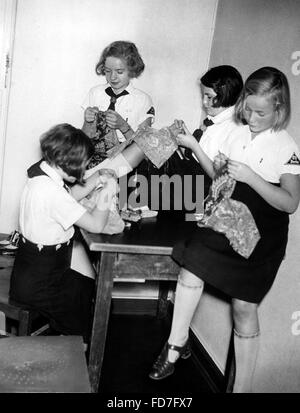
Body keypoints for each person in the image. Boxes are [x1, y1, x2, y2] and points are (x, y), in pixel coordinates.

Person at [148, 67, 300, 393]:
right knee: (193, 261)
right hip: (230, 214)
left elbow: (289, 203)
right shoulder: (237, 132)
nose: (253, 117)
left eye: (261, 113)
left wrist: (251, 177)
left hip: (264, 229)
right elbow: (218, 175)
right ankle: (176, 344)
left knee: (244, 308)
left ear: (280, 110)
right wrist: (205, 162)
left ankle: (240, 388)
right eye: (248, 109)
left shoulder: (286, 146)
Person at [9, 123, 145, 345]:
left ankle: (69, 339)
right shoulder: (51, 193)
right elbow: (96, 225)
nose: (84, 172)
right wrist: (108, 191)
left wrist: (98, 177)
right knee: (85, 317)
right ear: (68, 163)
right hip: (41, 285)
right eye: (83, 167)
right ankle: (77, 351)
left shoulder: (41, 174)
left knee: (85, 286)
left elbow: (69, 195)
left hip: (33, 272)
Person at [149, 65, 243, 221]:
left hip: (204, 191)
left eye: (209, 96)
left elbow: (221, 180)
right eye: (203, 96)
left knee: (149, 148)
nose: (204, 102)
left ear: (225, 94)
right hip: (192, 182)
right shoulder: (214, 121)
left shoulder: (235, 129)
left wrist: (193, 145)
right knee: (151, 142)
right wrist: (183, 136)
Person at [81, 40, 155, 168]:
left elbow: (144, 149)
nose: (113, 77)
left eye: (119, 72)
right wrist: (88, 122)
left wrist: (123, 125)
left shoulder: (143, 100)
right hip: (93, 156)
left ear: (131, 70)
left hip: (124, 160)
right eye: (108, 71)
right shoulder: (95, 93)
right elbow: (84, 139)